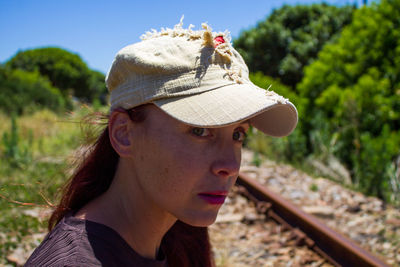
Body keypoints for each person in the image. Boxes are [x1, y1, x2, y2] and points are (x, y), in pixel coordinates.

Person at [25, 19, 297, 267]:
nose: (229, 166)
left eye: (238, 134)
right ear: (123, 133)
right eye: (200, 130)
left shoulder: (177, 234)